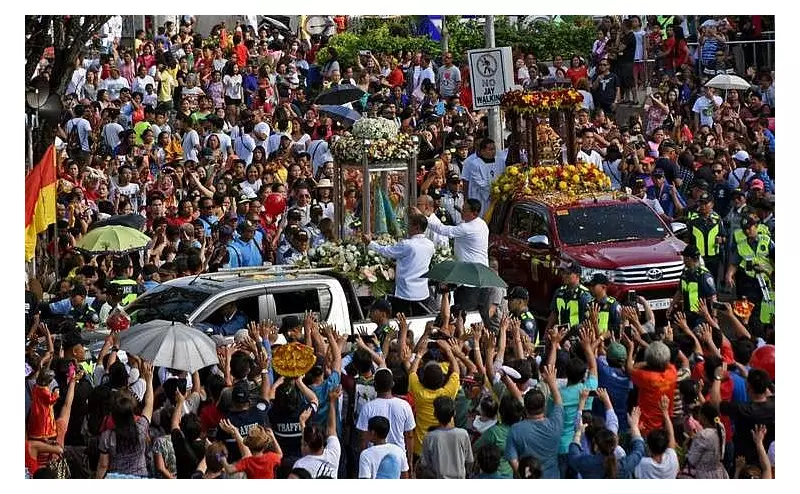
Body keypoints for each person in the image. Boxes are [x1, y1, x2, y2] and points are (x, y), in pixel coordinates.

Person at [365, 214, 435, 316]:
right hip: (422, 292)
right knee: (420, 323)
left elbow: (387, 251)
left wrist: (370, 243)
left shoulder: (407, 244)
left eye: (409, 225)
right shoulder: (430, 245)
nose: (407, 227)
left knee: (399, 322)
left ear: (417, 227)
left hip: (405, 293)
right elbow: (415, 261)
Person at [96, 362, 154, 478]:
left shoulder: (107, 437)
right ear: (132, 412)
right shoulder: (141, 429)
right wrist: (149, 380)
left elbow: (103, 465)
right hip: (140, 477)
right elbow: (149, 404)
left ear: (113, 415)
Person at [505, 364, 563, 479]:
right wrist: (551, 383)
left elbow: (513, 461)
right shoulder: (555, 423)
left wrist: (527, 478)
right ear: (544, 406)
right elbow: (558, 403)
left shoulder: (515, 429)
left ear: (525, 409)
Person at [568, 406, 645, 478]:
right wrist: (634, 427)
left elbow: (573, 454)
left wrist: (578, 432)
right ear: (615, 445)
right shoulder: (624, 466)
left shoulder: (585, 463)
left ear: (596, 446)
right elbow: (638, 450)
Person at [725, 217, 774, 327]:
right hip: (749, 282)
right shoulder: (741, 246)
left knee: (767, 309)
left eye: (749, 228)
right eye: (745, 229)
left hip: (767, 281)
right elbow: (734, 263)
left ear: (756, 227)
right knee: (747, 310)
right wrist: (729, 275)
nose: (747, 231)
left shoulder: (766, 241)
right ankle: (750, 332)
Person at [293, 387, 342, 478]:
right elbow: (332, 429)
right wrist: (332, 402)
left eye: (302, 443)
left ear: (306, 446)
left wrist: (302, 422)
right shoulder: (333, 453)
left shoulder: (300, 465)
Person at [419, 396, 473, 479]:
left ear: (435, 414)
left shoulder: (429, 437)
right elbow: (469, 461)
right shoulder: (463, 434)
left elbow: (425, 464)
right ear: (454, 413)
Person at [635, 395, 679, 478]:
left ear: (648, 446)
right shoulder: (672, 458)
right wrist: (665, 412)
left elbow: (635, 451)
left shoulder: (642, 464)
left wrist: (636, 428)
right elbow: (671, 435)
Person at [686, 192, 727, 281]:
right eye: (701, 203)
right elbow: (687, 239)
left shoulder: (717, 219)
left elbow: (724, 237)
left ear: (712, 204)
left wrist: (721, 240)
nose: (703, 206)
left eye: (705, 203)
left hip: (713, 258)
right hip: (697, 258)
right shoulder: (692, 219)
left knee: (711, 283)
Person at [547, 262, 592, 331]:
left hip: (577, 335)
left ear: (578, 275)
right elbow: (554, 314)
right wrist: (547, 331)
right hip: (560, 333)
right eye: (563, 273)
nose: (564, 276)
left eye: (568, 274)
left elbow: (589, 320)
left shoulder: (584, 295)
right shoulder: (559, 292)